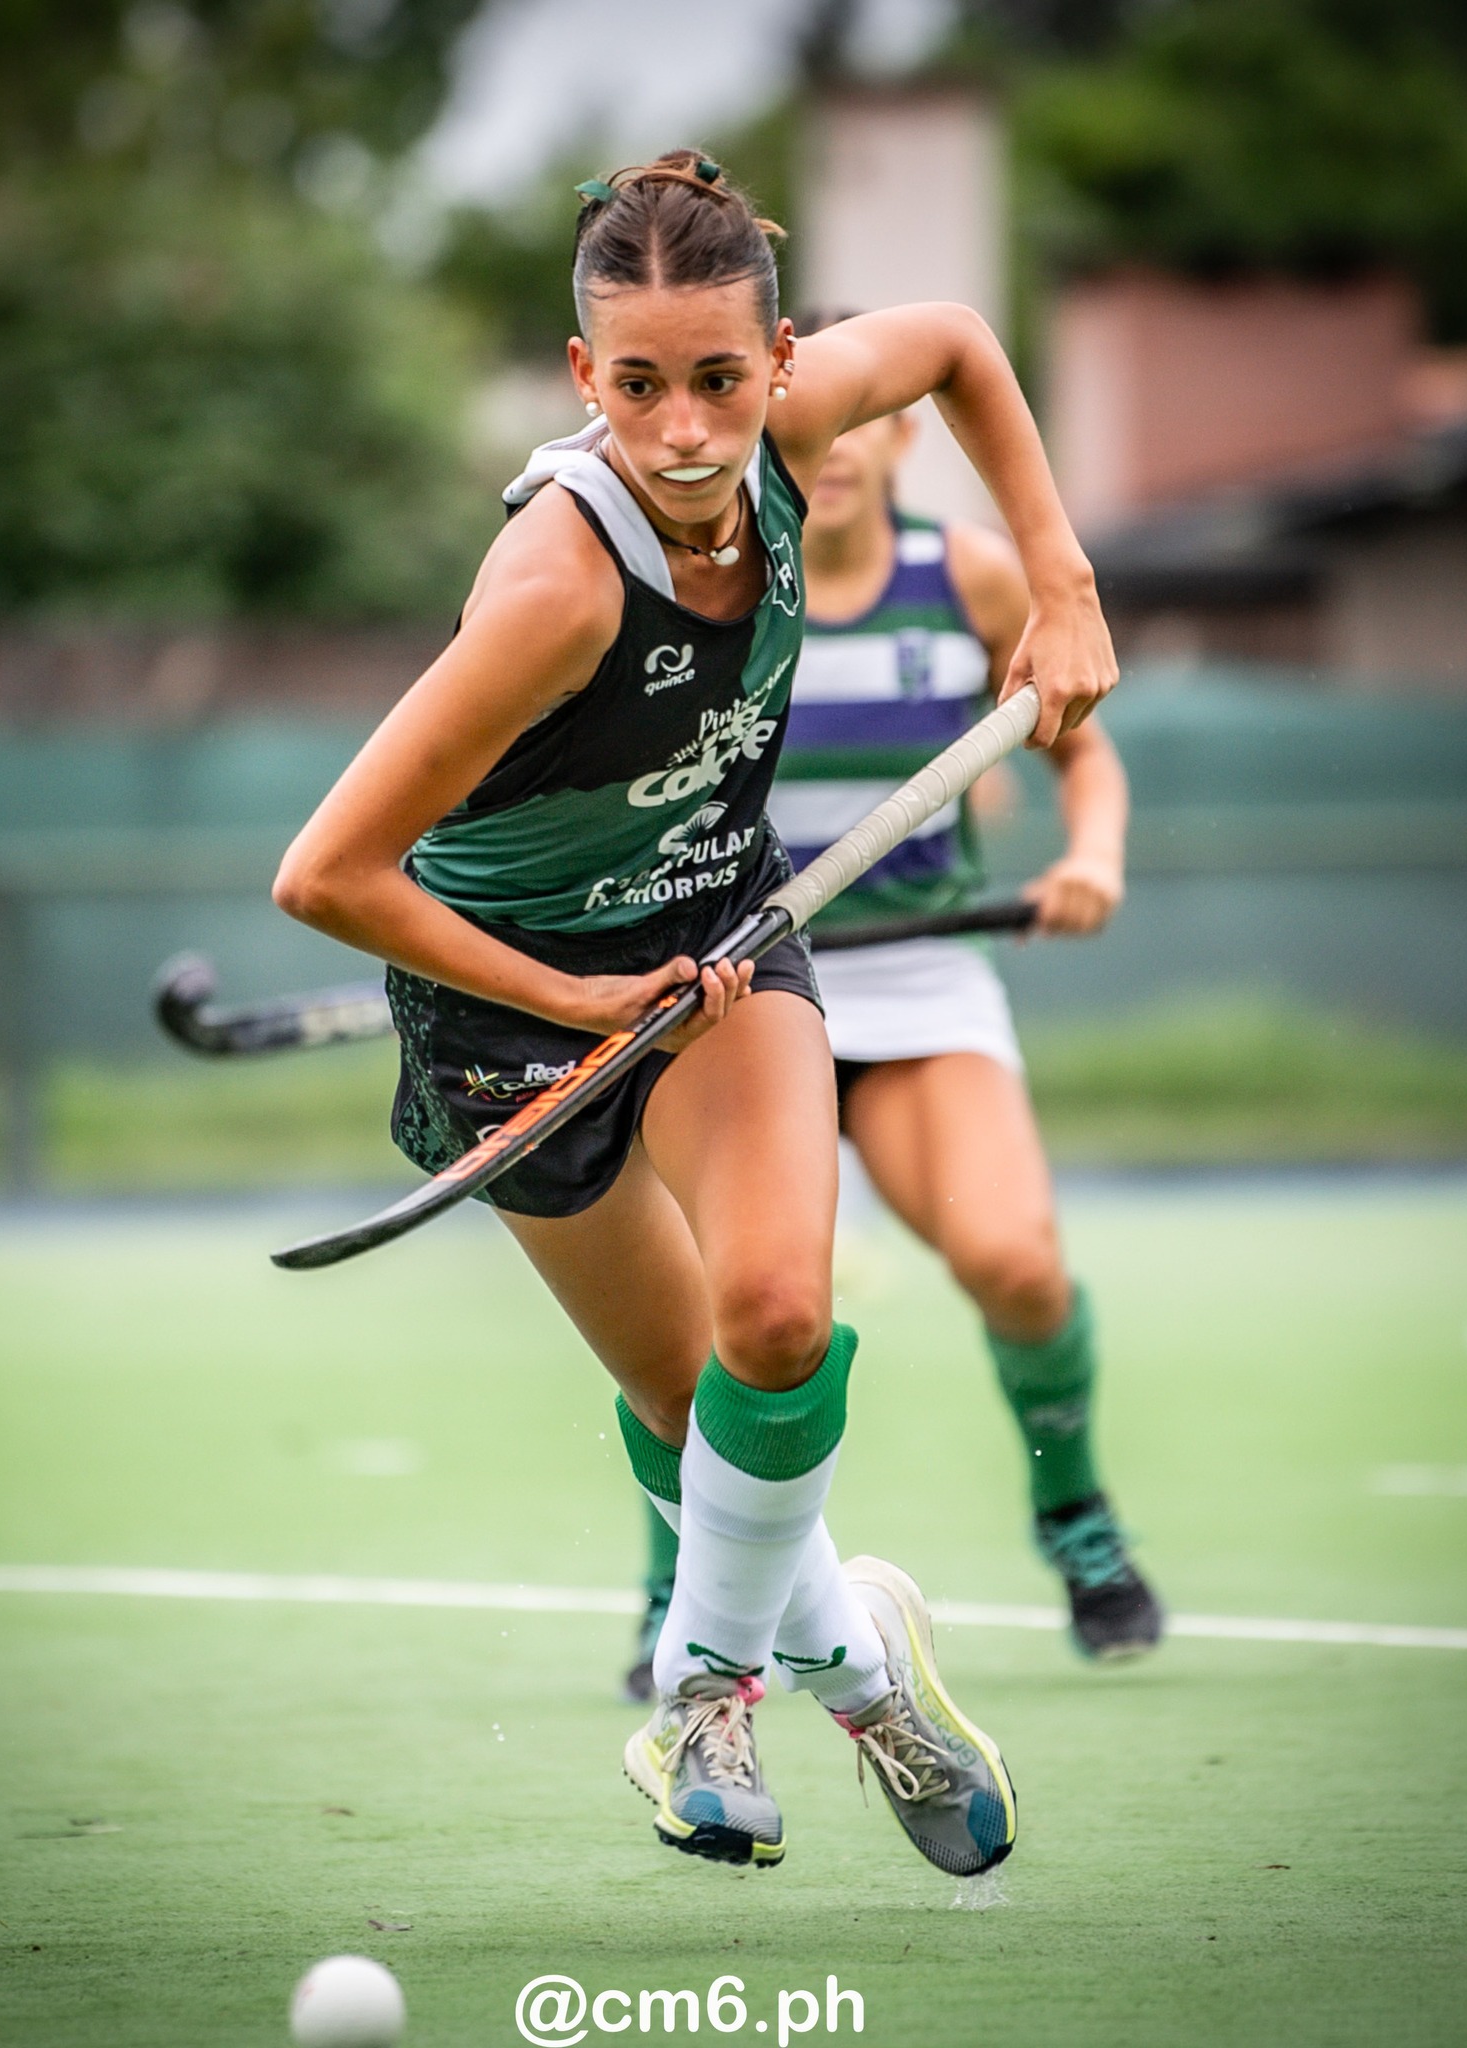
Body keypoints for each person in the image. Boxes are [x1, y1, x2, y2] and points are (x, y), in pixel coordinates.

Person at [272, 152, 1117, 1877]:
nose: (681, 429)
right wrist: (574, 994)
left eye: (722, 380)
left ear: (780, 361)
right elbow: (330, 873)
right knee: (685, 1416)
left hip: (723, 945)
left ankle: (702, 1691)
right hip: (508, 1009)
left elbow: (958, 336)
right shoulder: (557, 590)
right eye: (638, 386)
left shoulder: (801, 444)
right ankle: (858, 1667)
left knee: (779, 1325)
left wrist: (1062, 579)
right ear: (584, 380)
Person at [622, 339, 1161, 1705]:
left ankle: (1076, 1515)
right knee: (704, 1324)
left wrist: (1090, 853)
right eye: (826, 421)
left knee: (1018, 1263)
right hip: (736, 1006)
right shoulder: (706, 585)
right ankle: (676, 1587)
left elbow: (1078, 745)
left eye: (874, 419)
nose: (843, 442)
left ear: (905, 440)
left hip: (916, 993)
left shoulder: (968, 575)